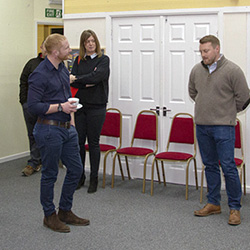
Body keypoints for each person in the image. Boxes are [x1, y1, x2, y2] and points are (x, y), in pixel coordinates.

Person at [28, 33, 90, 233]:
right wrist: (61, 107)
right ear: (55, 52)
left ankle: (64, 210)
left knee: (76, 169)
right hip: (48, 129)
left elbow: (66, 99)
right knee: (50, 174)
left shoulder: (63, 69)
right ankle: (49, 215)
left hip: (67, 129)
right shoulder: (39, 74)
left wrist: (71, 122)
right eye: (65, 47)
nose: (69, 50)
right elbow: (34, 106)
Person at [189, 35, 249, 226]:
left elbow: (244, 98)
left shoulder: (233, 70)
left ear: (217, 49)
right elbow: (193, 92)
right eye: (201, 51)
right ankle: (214, 203)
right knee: (210, 165)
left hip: (224, 126)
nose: (203, 55)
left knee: (229, 167)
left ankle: (234, 208)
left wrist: (227, 112)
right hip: (202, 126)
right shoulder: (197, 70)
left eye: (206, 51)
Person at [70, 29, 110, 193]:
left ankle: (94, 178)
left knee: (93, 143)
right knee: (79, 143)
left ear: (96, 43)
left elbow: (97, 77)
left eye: (93, 41)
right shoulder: (78, 60)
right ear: (83, 44)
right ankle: (80, 177)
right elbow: (72, 82)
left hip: (97, 106)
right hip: (80, 107)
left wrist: (80, 79)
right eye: (87, 42)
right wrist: (84, 80)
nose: (90, 44)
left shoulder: (103, 60)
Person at [19, 41, 46, 176]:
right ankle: (34, 162)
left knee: (46, 133)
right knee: (33, 134)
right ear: (41, 48)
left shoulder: (55, 65)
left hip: (46, 107)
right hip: (29, 105)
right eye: (44, 46)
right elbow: (23, 81)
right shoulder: (31, 63)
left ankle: (44, 160)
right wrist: (23, 101)